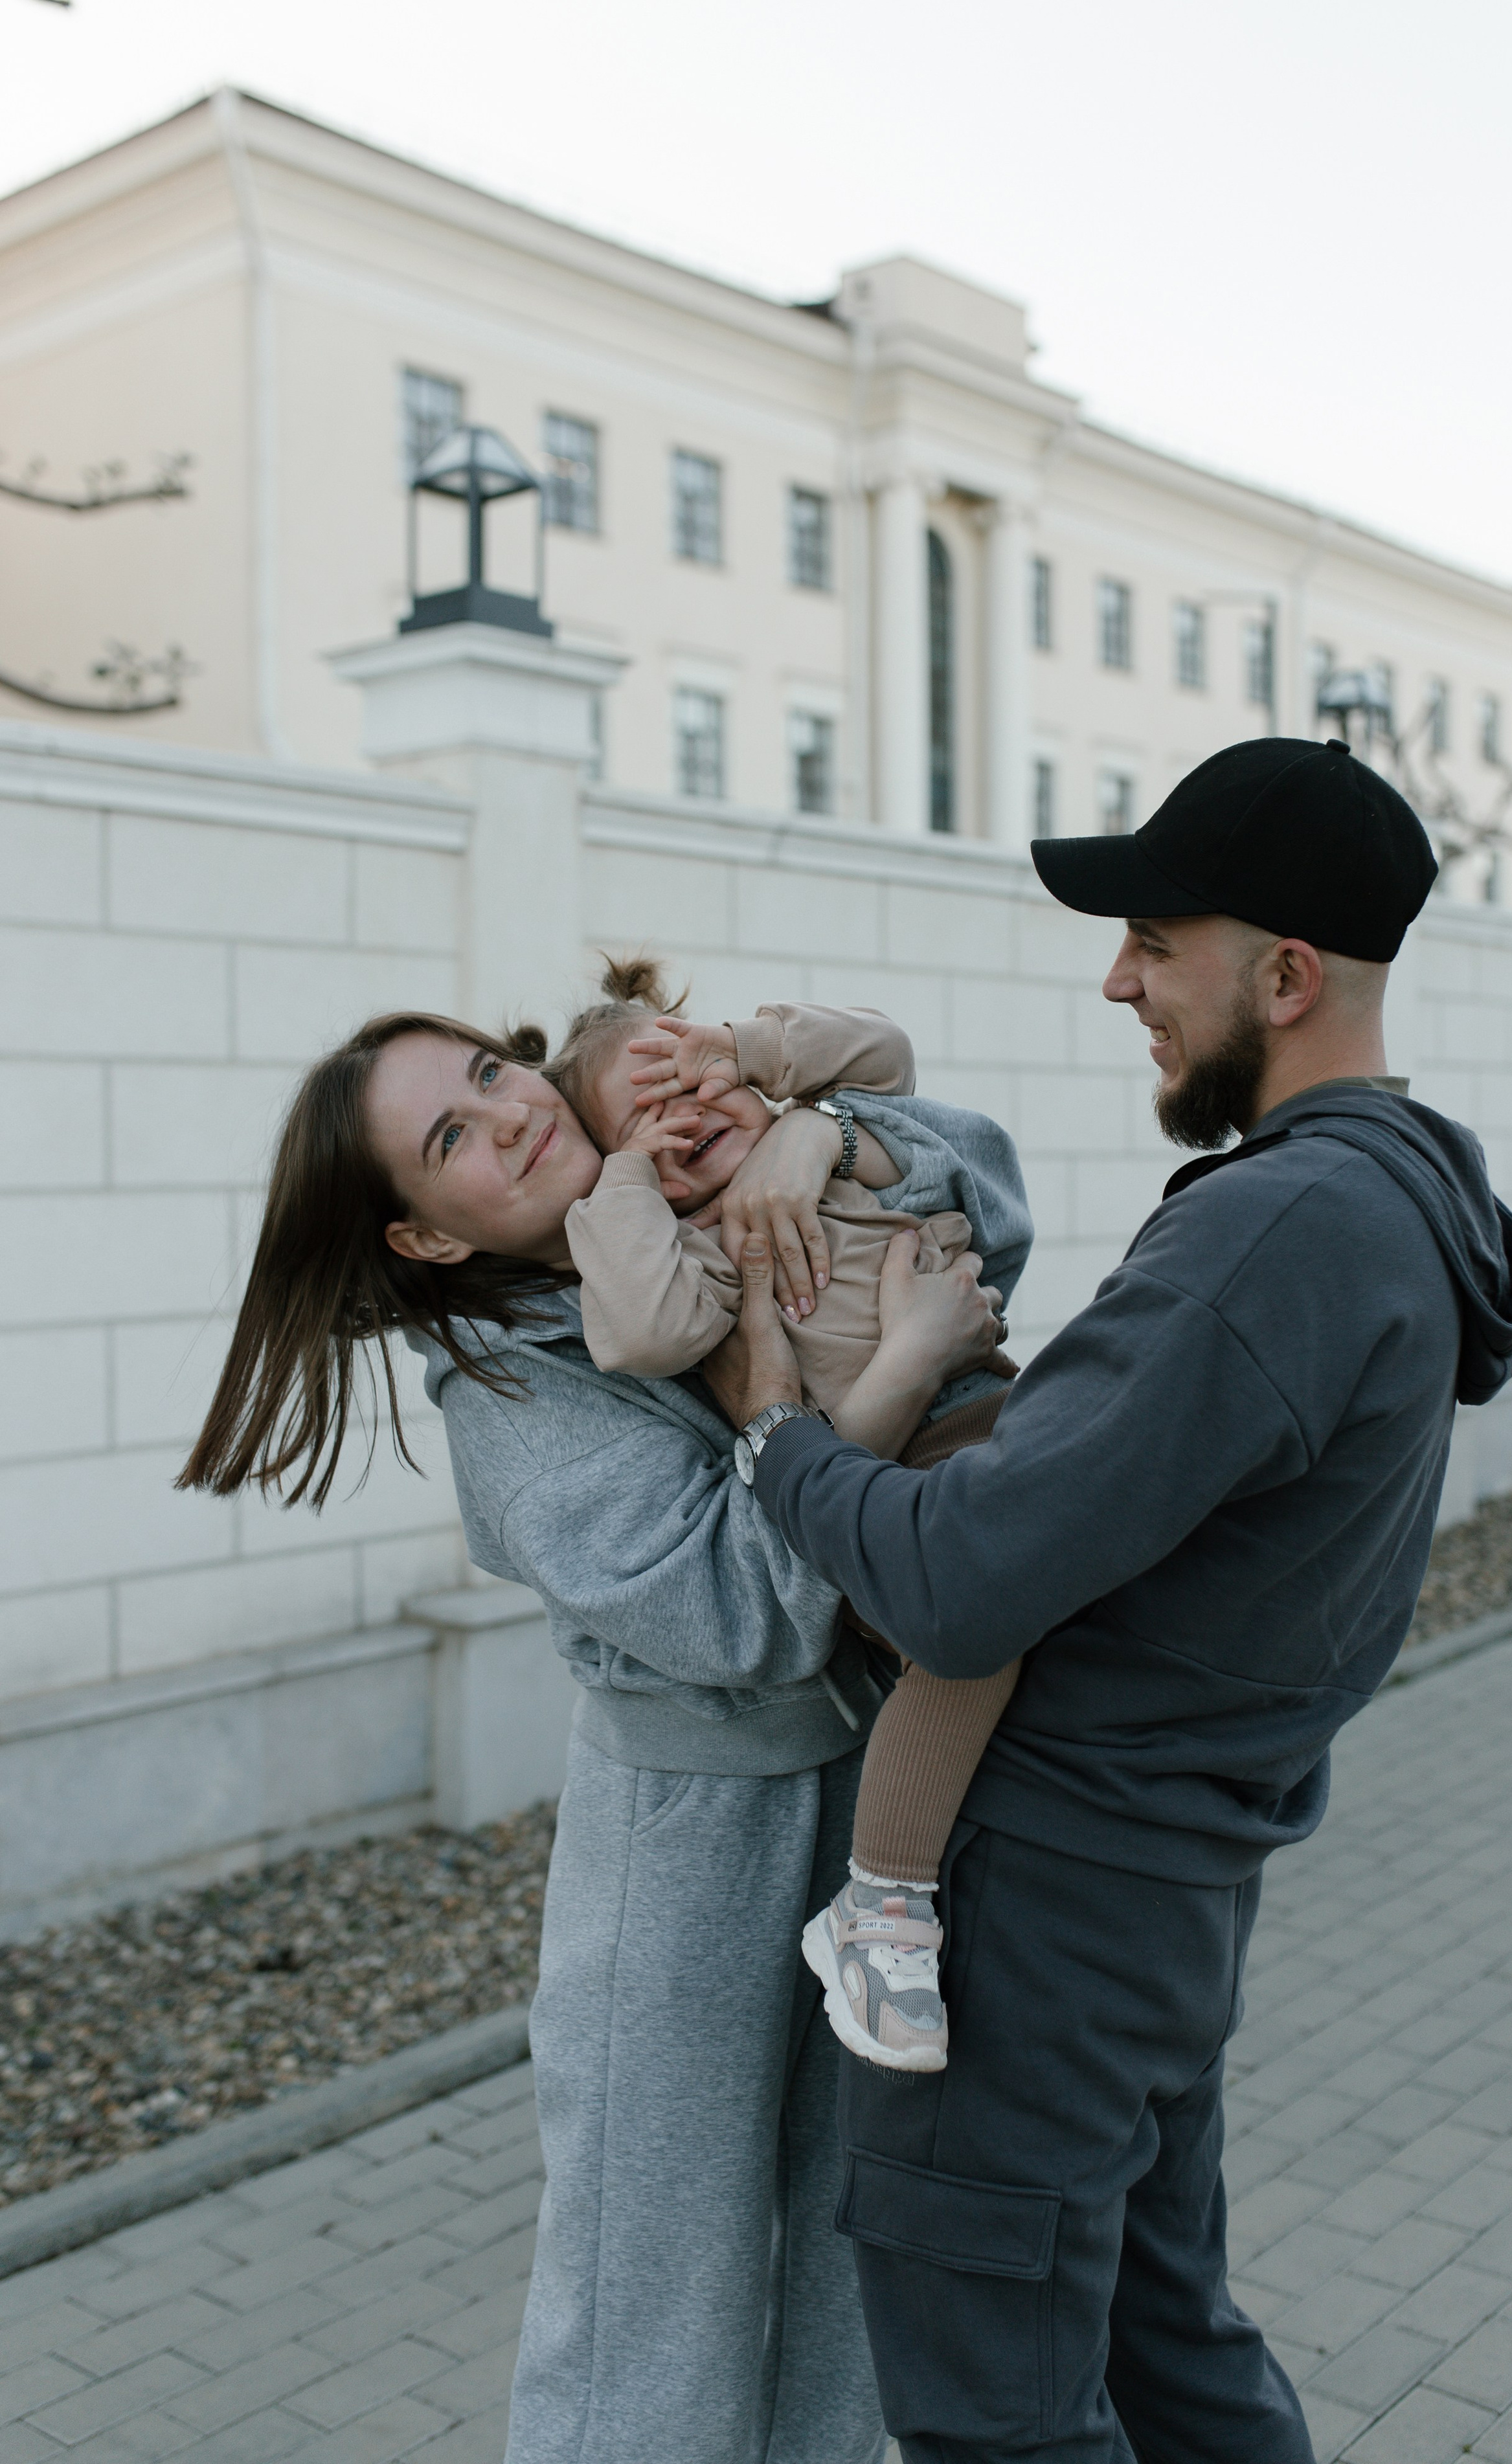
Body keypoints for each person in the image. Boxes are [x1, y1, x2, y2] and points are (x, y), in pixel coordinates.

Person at [711, 735, 1512, 2464]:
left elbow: (963, 1580)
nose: (1119, 981)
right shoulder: (1402, 1200)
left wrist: (776, 1428)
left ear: (1289, 975)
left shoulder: (1282, 1229)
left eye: (1156, 942)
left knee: (1000, 2416)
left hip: (1038, 1917)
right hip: (1161, 1902)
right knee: (1169, 2356)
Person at [177, 1005, 1004, 2464]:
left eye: (489, 1077)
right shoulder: (513, 1392)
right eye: (450, 1139)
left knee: (847, 2259)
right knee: (649, 2312)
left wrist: (815, 1135)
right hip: (689, 1859)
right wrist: (832, 1399)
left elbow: (980, 1191)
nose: (506, 1118)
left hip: (876, 1813)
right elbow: (748, 1613)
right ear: (423, 1238)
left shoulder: (672, 1145)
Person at [553, 959, 1032, 2072]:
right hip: (888, 1477)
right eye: (644, 1117)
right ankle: (883, 1903)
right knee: (971, 1631)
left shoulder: (831, 1155)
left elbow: (889, 1055)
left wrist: (755, 1058)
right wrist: (624, 1186)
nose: (685, 1111)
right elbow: (637, 1333)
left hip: (996, 1402)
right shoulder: (702, 1256)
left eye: (692, 1078)